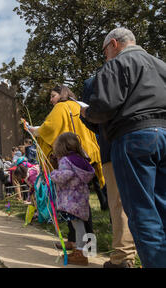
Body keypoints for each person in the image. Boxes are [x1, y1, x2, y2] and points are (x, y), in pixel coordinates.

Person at [82, 27, 166, 268]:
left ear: (114, 45)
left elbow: (104, 107)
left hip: (134, 138)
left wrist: (87, 112)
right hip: (164, 135)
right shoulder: (161, 65)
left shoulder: (116, 65)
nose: (105, 55)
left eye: (104, 50)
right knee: (162, 206)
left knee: (141, 212)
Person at [28, 85, 101, 250]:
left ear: (62, 94)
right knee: (82, 203)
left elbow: (49, 128)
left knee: (71, 205)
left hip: (69, 157)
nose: (51, 99)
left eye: (53, 95)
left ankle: (79, 242)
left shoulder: (60, 107)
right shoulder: (79, 105)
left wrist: (33, 130)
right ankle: (84, 241)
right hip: (85, 154)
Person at [81, 77, 136, 268]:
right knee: (151, 200)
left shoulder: (96, 81)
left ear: (112, 45)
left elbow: (93, 116)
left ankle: (123, 256)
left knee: (120, 203)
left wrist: (84, 114)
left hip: (115, 145)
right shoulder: (154, 67)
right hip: (154, 137)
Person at [50, 133, 96, 266]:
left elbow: (65, 175)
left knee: (77, 225)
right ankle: (80, 250)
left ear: (61, 146)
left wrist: (53, 174)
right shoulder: (80, 158)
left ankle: (80, 253)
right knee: (79, 224)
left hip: (71, 199)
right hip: (80, 198)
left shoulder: (66, 160)